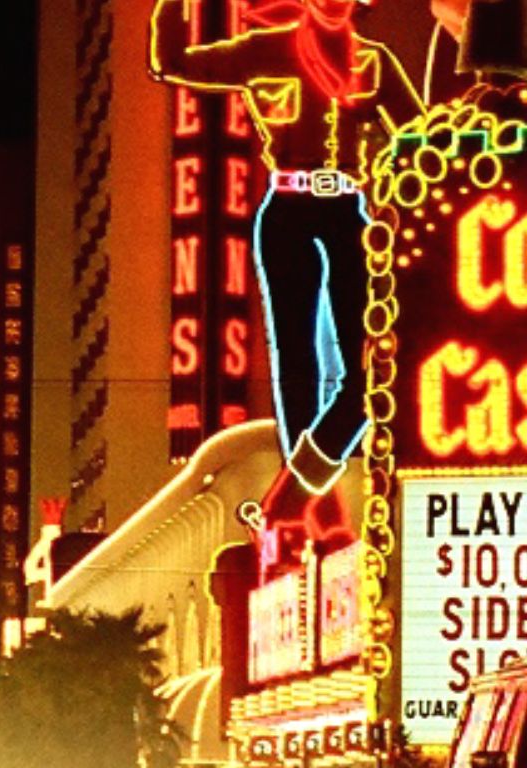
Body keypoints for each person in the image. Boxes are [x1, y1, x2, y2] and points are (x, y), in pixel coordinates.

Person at [150, 0, 422, 494]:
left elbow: (419, 137)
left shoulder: (373, 61)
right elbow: (172, 63)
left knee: (372, 354)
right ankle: (304, 490)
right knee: (295, 356)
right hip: (287, 211)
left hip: (348, 213)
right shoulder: (264, 51)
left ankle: (311, 467)